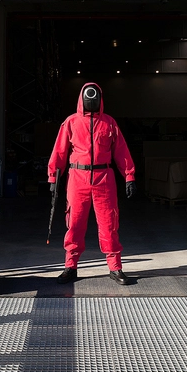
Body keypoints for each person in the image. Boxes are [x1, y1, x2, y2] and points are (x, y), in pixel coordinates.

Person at [48, 82, 136, 285]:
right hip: (77, 178)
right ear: (82, 100)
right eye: (89, 99)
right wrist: (53, 177)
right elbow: (59, 151)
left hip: (104, 178)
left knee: (109, 224)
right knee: (74, 224)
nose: (92, 101)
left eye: (95, 98)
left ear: (100, 100)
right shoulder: (70, 122)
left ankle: (115, 267)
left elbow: (121, 152)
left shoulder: (109, 123)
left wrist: (129, 176)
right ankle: (70, 267)